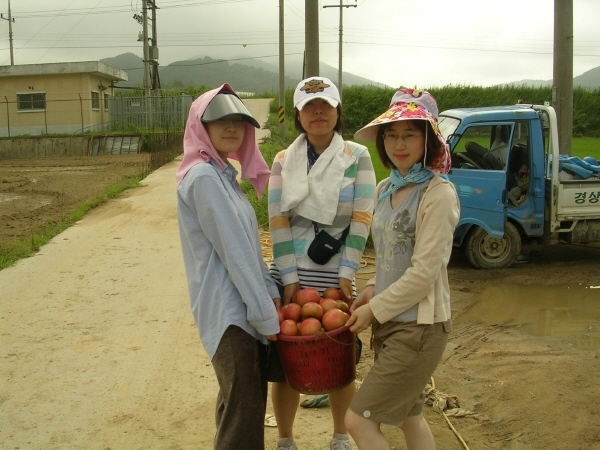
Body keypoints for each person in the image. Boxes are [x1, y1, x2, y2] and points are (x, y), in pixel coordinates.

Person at [344, 88, 460, 450]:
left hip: (419, 328)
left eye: (410, 134)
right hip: (392, 322)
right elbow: (392, 259)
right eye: (391, 134)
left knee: (356, 420)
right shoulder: (385, 189)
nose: (399, 143)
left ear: (428, 140)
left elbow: (424, 272)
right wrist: (372, 290)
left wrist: (373, 309)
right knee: (411, 416)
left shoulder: (438, 194)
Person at [268, 76, 376, 450]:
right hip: (291, 269)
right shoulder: (283, 161)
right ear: (298, 114)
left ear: (336, 111)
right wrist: (289, 278)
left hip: (337, 273)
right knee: (285, 362)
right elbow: (278, 221)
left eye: (326, 105)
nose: (318, 112)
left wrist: (347, 275)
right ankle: (285, 438)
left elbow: (362, 217)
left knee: (338, 358)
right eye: (310, 106)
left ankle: (340, 435)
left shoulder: (357, 157)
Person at [176, 84, 281, 450]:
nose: (231, 127)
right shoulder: (204, 178)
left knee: (236, 404)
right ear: (200, 125)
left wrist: (269, 293)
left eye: (238, 120)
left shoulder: (223, 176)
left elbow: (251, 251)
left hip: (242, 310)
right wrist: (268, 317)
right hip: (229, 312)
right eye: (220, 120)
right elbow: (236, 257)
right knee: (245, 413)